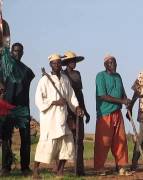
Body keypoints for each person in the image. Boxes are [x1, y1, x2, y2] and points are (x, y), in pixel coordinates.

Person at [33, 54, 83, 178]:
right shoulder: (44, 80)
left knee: (67, 145)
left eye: (59, 63)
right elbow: (38, 100)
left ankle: (60, 171)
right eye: (54, 63)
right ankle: (35, 170)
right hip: (50, 119)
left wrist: (76, 107)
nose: (57, 65)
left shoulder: (65, 79)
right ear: (50, 64)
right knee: (46, 145)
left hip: (62, 118)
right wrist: (54, 102)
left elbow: (71, 96)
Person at [94, 54, 132, 175]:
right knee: (103, 141)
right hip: (105, 113)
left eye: (115, 63)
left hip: (117, 112)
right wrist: (122, 101)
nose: (113, 65)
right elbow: (102, 95)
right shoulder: (100, 76)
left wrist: (127, 104)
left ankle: (121, 166)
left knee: (120, 141)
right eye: (110, 63)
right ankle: (99, 167)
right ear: (105, 65)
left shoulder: (118, 76)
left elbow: (123, 93)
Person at [0, 42, 34, 176]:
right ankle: (5, 168)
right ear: (11, 52)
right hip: (7, 107)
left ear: (23, 53)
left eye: (20, 51)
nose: (17, 53)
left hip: (23, 108)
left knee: (25, 139)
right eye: (15, 51)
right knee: (6, 138)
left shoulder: (27, 70)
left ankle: (25, 167)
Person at [61, 51, 90, 176]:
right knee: (65, 140)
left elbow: (80, 94)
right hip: (66, 111)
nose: (73, 63)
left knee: (79, 140)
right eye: (71, 61)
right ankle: (60, 169)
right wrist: (68, 114)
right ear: (66, 62)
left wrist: (85, 110)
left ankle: (79, 168)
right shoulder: (62, 75)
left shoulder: (77, 74)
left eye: (74, 60)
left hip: (78, 109)